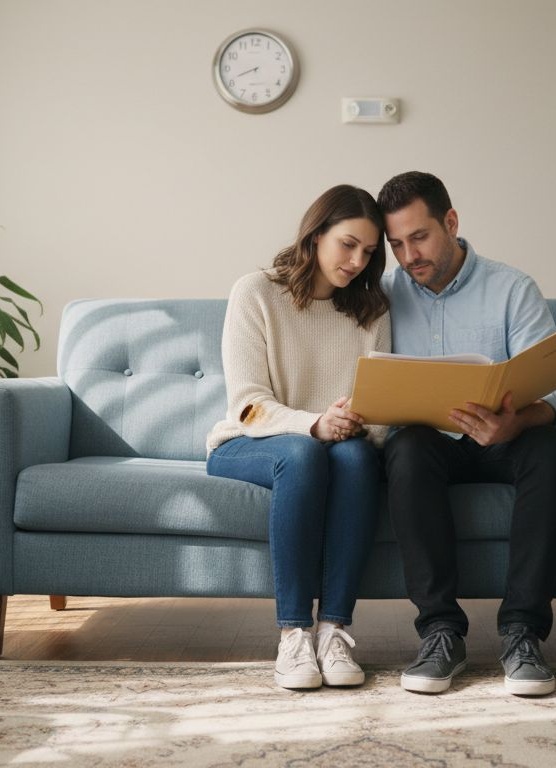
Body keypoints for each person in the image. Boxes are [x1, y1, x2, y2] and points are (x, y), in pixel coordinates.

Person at [377, 171, 556, 696]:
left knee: (552, 449)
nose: (408, 256)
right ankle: (440, 631)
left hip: (504, 438)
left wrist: (517, 420)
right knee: (406, 450)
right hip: (427, 445)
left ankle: (523, 633)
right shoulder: (380, 294)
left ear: (451, 222)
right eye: (396, 244)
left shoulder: (511, 287)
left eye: (419, 237)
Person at [206, 184, 391, 690]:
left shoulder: (371, 310)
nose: (356, 261)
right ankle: (293, 634)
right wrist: (313, 423)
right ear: (315, 236)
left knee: (356, 459)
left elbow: (379, 411)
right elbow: (247, 404)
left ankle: (334, 631)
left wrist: (353, 421)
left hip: (335, 445)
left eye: (370, 252)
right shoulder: (256, 292)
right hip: (249, 443)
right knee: (305, 454)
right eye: (348, 244)